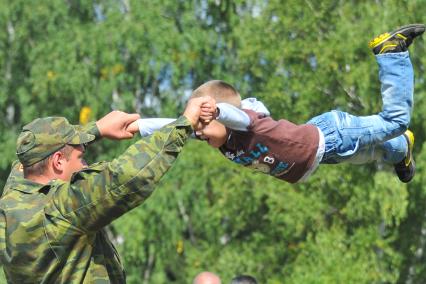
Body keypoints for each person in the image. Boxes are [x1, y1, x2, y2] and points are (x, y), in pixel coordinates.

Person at [0, 97, 215, 283]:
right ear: (57, 161)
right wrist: (184, 123)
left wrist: (98, 129)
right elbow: (127, 176)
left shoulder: (12, 197)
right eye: (80, 157)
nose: (84, 164)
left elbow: (25, 159)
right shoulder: (61, 209)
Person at [189, 24, 424, 184]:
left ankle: (391, 53)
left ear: (220, 116)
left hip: (334, 135)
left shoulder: (243, 122)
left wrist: (217, 110)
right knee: (371, 150)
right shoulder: (216, 137)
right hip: (321, 151)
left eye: (203, 122)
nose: (198, 132)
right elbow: (171, 125)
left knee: (396, 121)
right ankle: (401, 148)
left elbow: (235, 116)